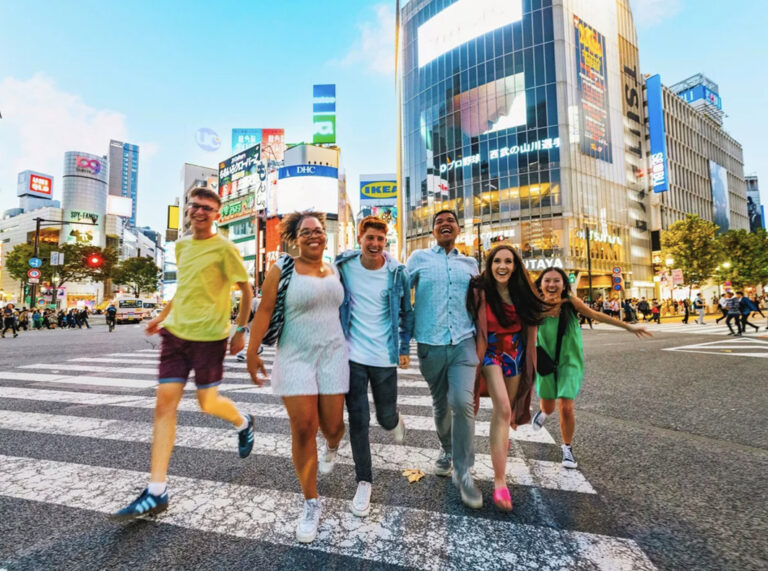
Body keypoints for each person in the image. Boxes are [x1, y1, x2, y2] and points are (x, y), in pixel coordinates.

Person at [111, 187, 256, 521]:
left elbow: (245, 290)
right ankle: (156, 491)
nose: (200, 211)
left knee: (208, 403)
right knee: (164, 404)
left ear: (217, 214)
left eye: (207, 207)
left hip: (209, 337)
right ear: (188, 209)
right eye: (195, 206)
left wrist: (240, 329)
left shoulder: (225, 249)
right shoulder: (181, 245)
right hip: (176, 334)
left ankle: (243, 422)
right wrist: (161, 316)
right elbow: (185, 287)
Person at [246, 210, 348, 543]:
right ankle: (311, 501)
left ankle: (332, 445)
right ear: (294, 238)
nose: (314, 235)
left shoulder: (333, 269)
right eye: (306, 232)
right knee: (304, 427)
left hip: (333, 356)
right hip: (294, 358)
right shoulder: (282, 268)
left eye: (318, 230)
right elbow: (263, 310)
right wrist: (252, 351)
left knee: (333, 427)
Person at [531, 267, 652, 468]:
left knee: (566, 406)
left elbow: (598, 315)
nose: (551, 285)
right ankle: (543, 414)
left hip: (570, 361)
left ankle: (567, 448)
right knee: (549, 406)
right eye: (547, 281)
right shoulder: (534, 306)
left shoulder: (571, 303)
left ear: (563, 285)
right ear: (541, 284)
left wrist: (630, 327)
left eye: (556, 281)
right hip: (544, 361)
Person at [335, 215, 413, 517]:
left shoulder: (396, 273)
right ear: (359, 239)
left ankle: (395, 421)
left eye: (380, 239)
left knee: (384, 416)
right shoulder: (344, 267)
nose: (375, 244)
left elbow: (407, 312)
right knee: (358, 421)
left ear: (386, 242)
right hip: (352, 357)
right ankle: (364, 481)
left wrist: (404, 348)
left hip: (384, 358)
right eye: (370, 238)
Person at [406, 209, 482, 509]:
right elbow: (399, 292)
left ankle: (463, 470)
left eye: (450, 221)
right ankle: (447, 450)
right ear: (433, 231)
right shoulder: (418, 259)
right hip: (429, 342)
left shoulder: (470, 263)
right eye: (439, 222)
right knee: (440, 403)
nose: (445, 224)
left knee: (463, 403)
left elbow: (481, 301)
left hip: (464, 341)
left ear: (458, 229)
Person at [466, 244, 548, 512]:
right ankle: (500, 482)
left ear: (515, 266)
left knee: (508, 412)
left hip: (516, 353)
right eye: (497, 261)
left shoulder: (524, 292)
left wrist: (533, 363)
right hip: (490, 351)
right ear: (490, 265)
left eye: (508, 261)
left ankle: (501, 465)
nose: (503, 266)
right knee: (501, 407)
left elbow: (534, 328)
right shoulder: (479, 290)